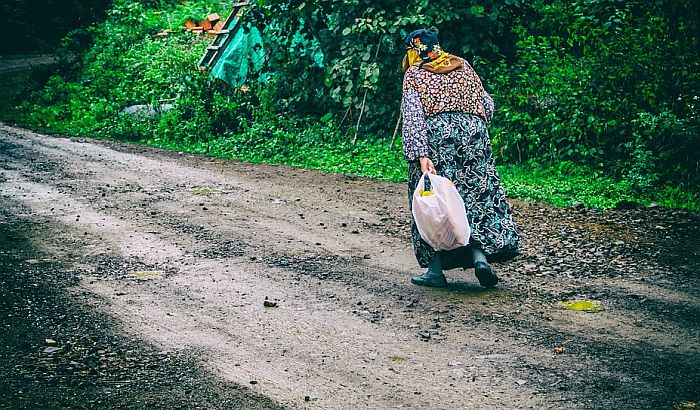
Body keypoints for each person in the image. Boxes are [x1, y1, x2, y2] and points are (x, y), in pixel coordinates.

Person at [401, 28, 520, 288]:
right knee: (474, 196)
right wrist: (469, 123)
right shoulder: (462, 65)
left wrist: (421, 155)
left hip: (437, 139)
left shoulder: (415, 73)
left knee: (432, 201)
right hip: (473, 137)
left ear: (415, 50)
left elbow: (412, 118)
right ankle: (480, 259)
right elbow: (487, 105)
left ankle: (435, 271)